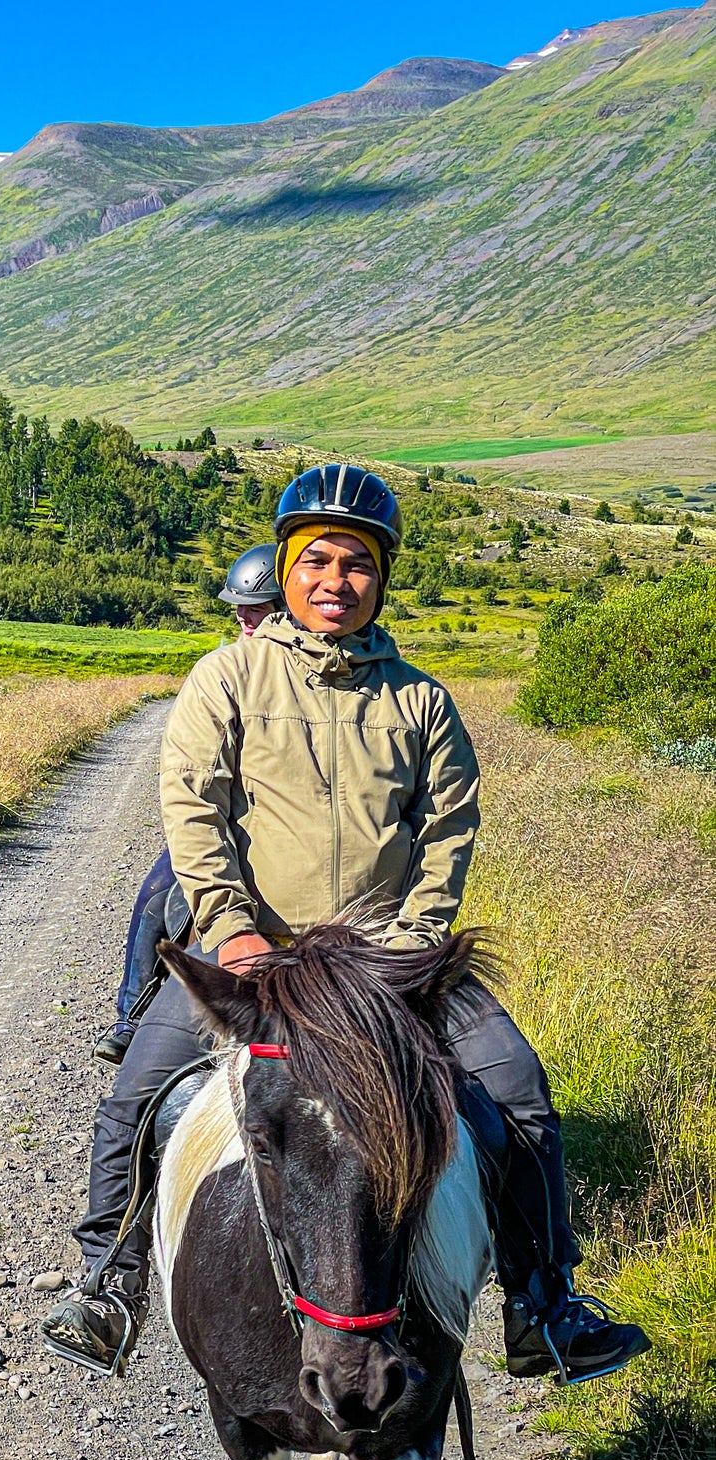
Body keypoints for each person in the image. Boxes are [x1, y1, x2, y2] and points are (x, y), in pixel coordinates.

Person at [44, 462, 650, 1389]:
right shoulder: (227, 679)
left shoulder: (420, 700)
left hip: (384, 960)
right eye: (317, 558)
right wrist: (231, 928)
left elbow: (447, 826)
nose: (336, 579)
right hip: (256, 952)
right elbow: (192, 811)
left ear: (382, 576)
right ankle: (111, 1281)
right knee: (138, 1093)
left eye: (357, 563)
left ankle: (542, 1304)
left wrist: (416, 938)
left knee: (516, 1092)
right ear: (286, 568)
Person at [92, 545, 283, 1066]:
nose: (245, 616)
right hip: (225, 826)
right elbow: (196, 780)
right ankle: (131, 1016)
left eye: (259, 606)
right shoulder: (221, 671)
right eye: (240, 606)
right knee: (156, 893)